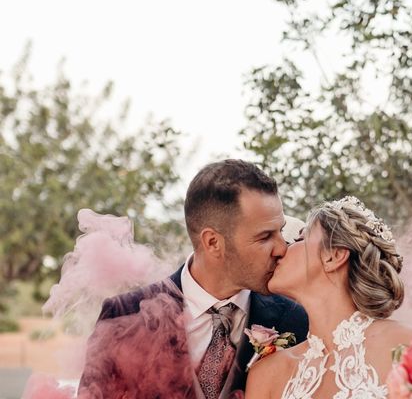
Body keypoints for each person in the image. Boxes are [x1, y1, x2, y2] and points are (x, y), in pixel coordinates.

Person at [78, 159, 309, 399]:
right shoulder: (124, 313)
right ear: (212, 242)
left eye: (280, 231)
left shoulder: (295, 320)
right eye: (265, 237)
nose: (282, 248)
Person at [245, 196, 412, 399]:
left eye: (300, 239)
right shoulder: (265, 375)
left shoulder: (408, 347)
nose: (282, 250)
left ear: (333, 256)